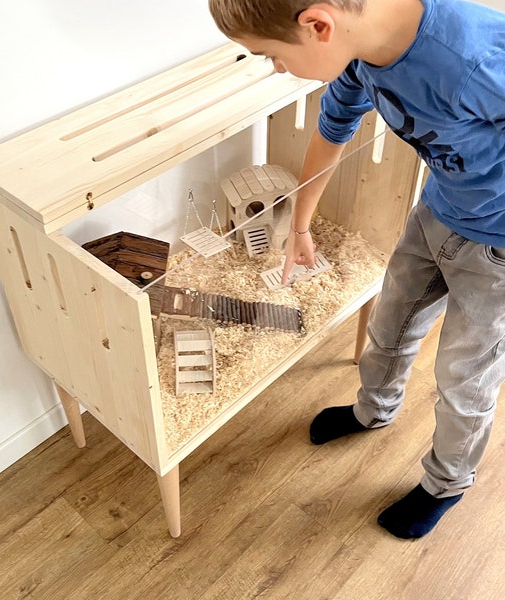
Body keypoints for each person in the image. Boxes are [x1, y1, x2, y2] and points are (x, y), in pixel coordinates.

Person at [208, 0, 505, 539]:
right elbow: (331, 131)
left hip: (498, 253)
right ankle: (374, 410)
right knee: (391, 325)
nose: (275, 67)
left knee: (465, 378)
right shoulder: (358, 53)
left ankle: (447, 483)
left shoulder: (472, 58)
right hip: (437, 212)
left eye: (271, 55)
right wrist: (299, 227)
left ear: (317, 25)